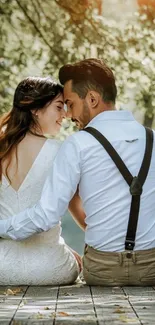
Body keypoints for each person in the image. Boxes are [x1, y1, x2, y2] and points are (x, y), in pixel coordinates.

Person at [1, 58, 155, 286]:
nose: (68, 115)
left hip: (102, 271)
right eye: (61, 106)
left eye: (70, 104)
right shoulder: (152, 139)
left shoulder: (78, 144)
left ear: (92, 99)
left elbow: (47, 215)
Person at [0, 76, 82, 285]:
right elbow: (76, 213)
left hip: (3, 267)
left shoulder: (2, 149)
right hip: (51, 269)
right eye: (58, 107)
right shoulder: (61, 150)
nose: (65, 114)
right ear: (35, 109)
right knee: (75, 260)